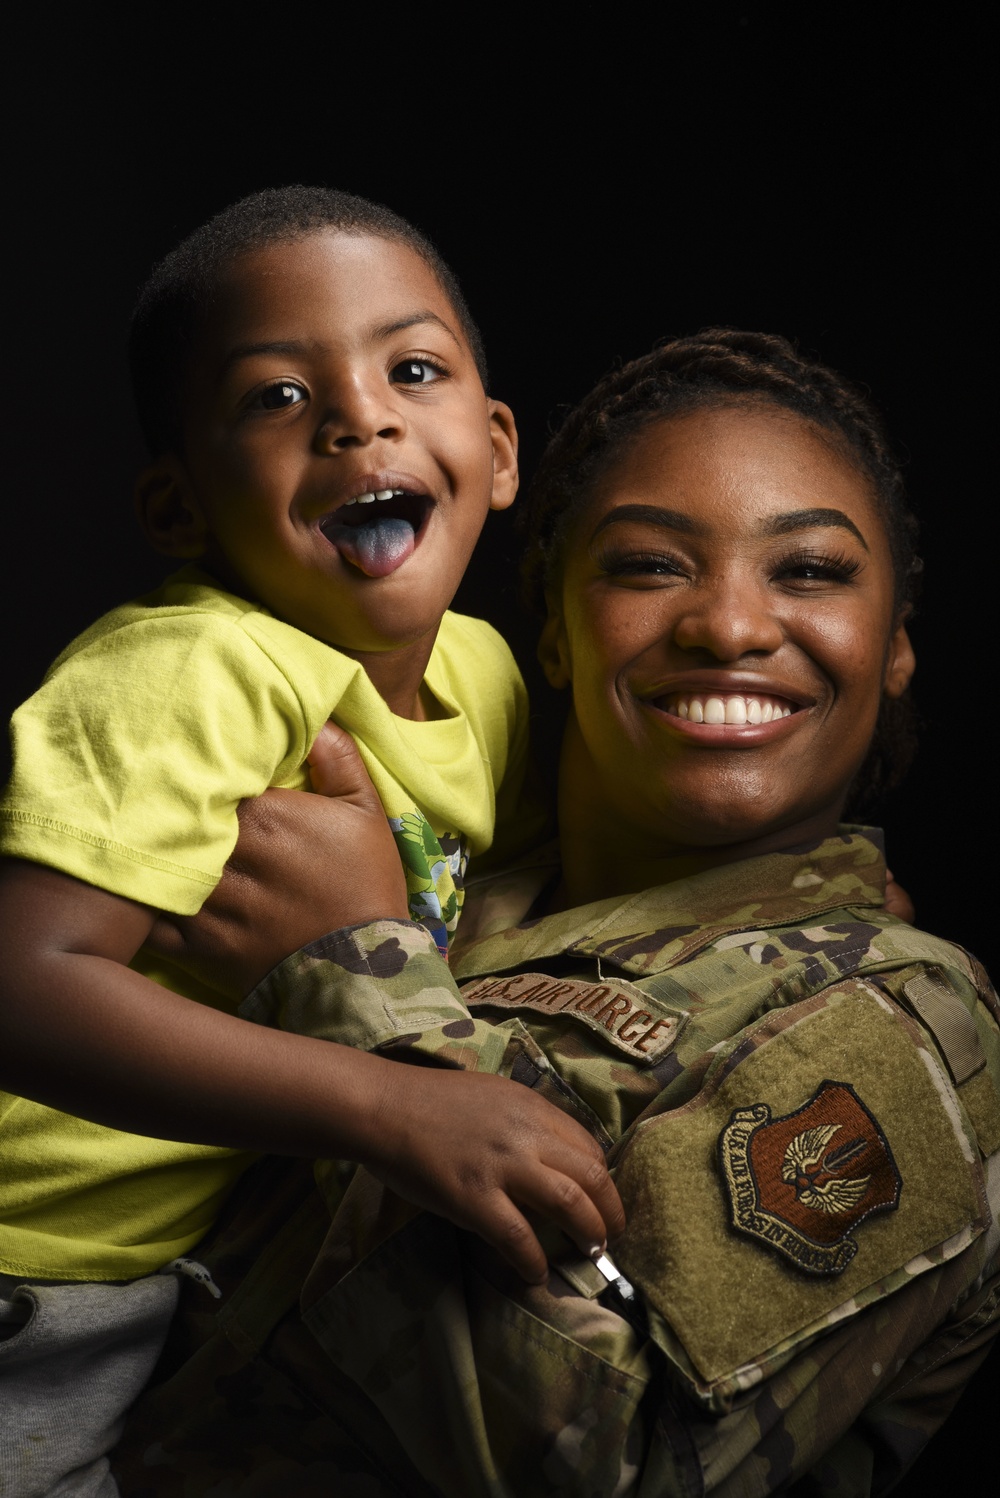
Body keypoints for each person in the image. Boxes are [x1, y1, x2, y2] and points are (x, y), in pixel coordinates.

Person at [112, 330, 1000, 1495]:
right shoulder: (419, 874)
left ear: (892, 652)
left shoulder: (906, 1017)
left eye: (810, 572)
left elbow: (602, 1470)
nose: (728, 625)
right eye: (646, 565)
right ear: (550, 630)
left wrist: (349, 981)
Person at [0, 187, 624, 1498]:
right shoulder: (194, 670)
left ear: (498, 449)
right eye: (278, 397)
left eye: (410, 368)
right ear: (177, 507)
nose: (357, 415)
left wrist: (778, 886)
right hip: (31, 1267)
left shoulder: (488, 671)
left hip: (176, 1273)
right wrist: (392, 1104)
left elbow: (527, 888)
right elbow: (21, 982)